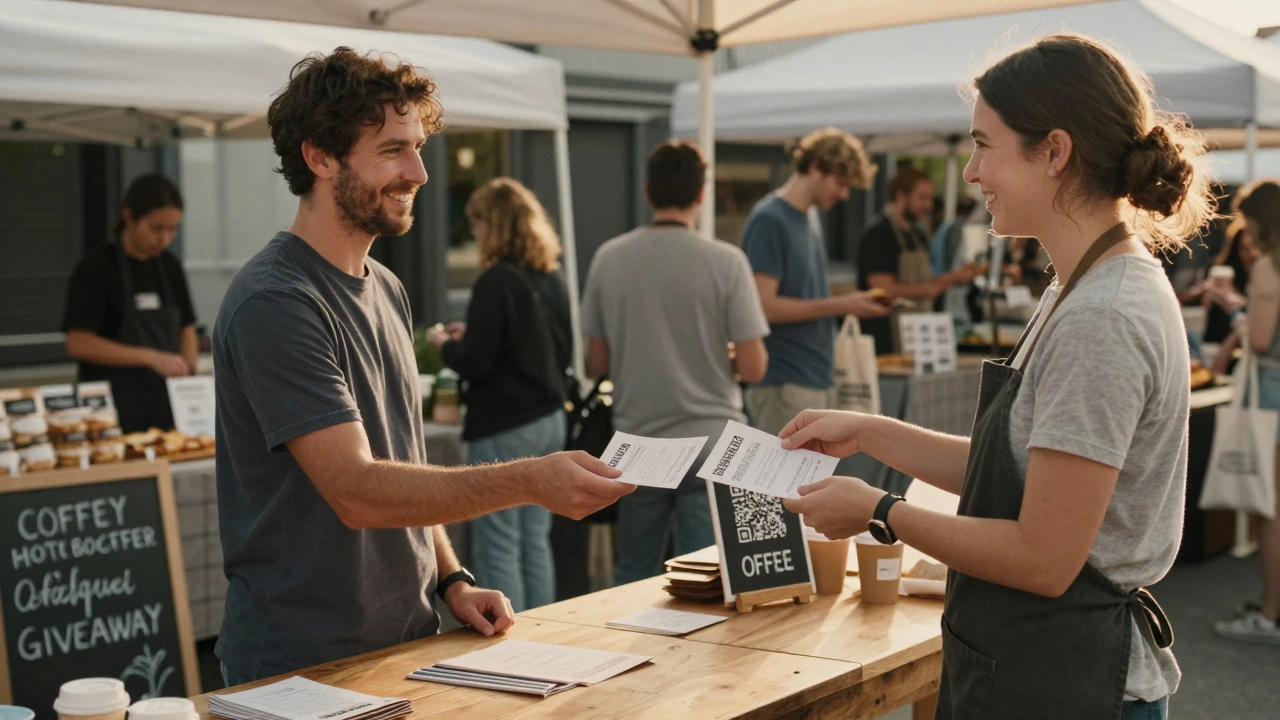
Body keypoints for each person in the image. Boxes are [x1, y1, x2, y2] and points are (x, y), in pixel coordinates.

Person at [782, 34, 1215, 719]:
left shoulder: (1103, 312)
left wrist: (879, 510)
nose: (971, 173)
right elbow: (1018, 472)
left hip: (1072, 682)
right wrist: (870, 431)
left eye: (985, 145)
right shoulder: (1080, 287)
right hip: (1037, 666)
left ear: (1055, 153)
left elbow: (1042, 556)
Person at [211, 47, 633, 685]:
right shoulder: (277, 300)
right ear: (320, 157)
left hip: (404, 640)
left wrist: (453, 580)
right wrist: (528, 481)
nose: (419, 171)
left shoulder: (385, 285)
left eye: (418, 146)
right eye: (391, 150)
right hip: (300, 663)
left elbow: (399, 459)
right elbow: (355, 488)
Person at [582, 141, 770, 583]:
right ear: (701, 195)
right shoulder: (727, 262)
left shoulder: (609, 258)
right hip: (712, 443)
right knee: (706, 575)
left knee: (633, 574)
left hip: (639, 444)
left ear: (648, 192)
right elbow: (756, 368)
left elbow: (596, 363)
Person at [427, 177, 572, 612]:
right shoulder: (551, 277)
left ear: (494, 224)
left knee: (500, 540)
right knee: (534, 538)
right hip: (550, 418)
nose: (474, 234)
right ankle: (542, 624)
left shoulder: (495, 281)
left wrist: (447, 346)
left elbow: (477, 363)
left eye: (477, 223)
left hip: (506, 423)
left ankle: (511, 635)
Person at [740, 127, 889, 435]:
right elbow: (764, 307)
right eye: (842, 183)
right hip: (785, 379)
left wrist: (850, 300)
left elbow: (802, 293)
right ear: (817, 167)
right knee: (783, 482)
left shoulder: (807, 217)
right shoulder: (770, 220)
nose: (845, 195)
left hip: (810, 377)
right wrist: (842, 304)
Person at [62, 174, 197, 432]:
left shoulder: (170, 266)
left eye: (173, 229)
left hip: (166, 409)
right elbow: (78, 343)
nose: (165, 239)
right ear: (129, 216)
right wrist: (150, 357)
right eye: (157, 229)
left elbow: (186, 328)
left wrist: (188, 378)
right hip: (110, 411)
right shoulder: (96, 267)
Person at [1214, 178, 1280, 645]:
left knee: (1270, 511)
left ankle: (1271, 613)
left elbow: (1259, 340)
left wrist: (1234, 310)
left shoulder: (1268, 269)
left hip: (1272, 394)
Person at [857, 167, 978, 354]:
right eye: (922, 198)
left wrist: (952, 278)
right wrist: (929, 289)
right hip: (886, 341)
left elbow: (927, 280)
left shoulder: (917, 234)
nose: (928, 205)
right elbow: (881, 290)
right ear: (900, 195)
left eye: (929, 198)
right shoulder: (878, 234)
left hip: (918, 337)